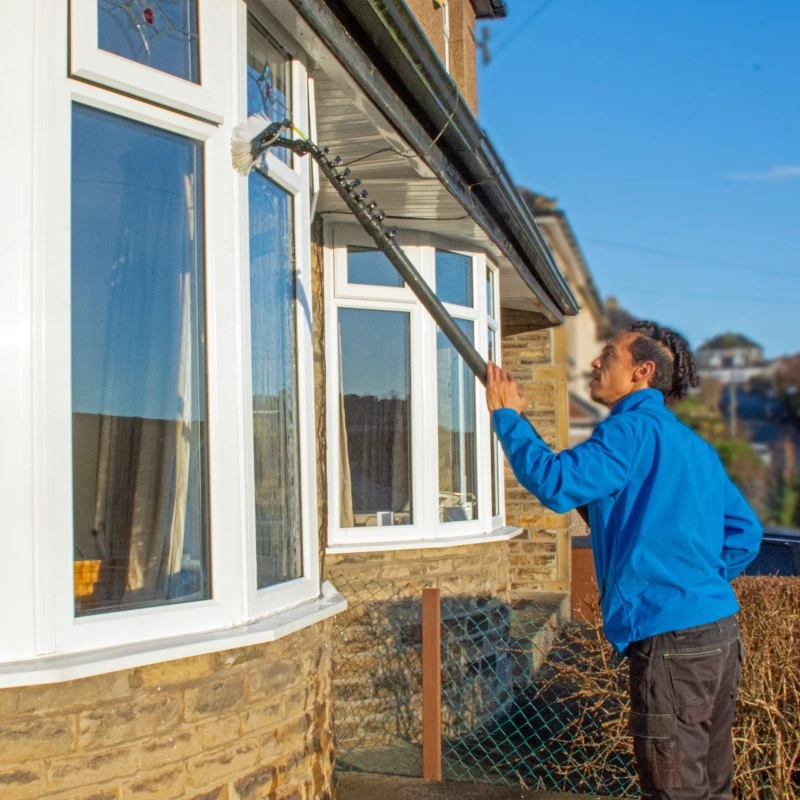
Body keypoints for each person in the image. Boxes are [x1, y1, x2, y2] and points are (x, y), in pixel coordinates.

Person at [485, 321, 762, 800]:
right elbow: (745, 534)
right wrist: (696, 583)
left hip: (672, 642)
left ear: (642, 371)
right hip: (720, 632)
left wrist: (507, 418)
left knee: (674, 790)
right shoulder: (692, 446)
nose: (595, 363)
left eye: (608, 355)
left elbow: (554, 483)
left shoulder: (628, 430)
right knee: (713, 787)